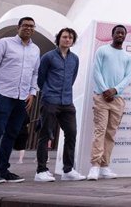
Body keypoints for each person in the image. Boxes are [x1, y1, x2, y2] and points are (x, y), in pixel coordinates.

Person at [0, 16, 40, 185]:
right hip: (3, 94)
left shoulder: (35, 49)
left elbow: (35, 73)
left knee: (11, 134)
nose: (29, 28)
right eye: (26, 26)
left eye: (32, 26)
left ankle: (3, 170)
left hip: (22, 97)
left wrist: (32, 93)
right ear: (18, 27)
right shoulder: (4, 43)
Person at [34, 27, 86, 182]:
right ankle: (41, 171)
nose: (67, 39)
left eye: (70, 37)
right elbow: (40, 79)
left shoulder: (75, 59)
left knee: (71, 133)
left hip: (67, 102)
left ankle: (68, 170)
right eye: (64, 37)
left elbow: (72, 78)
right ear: (59, 39)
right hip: (50, 100)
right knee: (45, 135)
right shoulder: (48, 57)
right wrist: (48, 93)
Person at [87, 24, 131, 181]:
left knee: (111, 133)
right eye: (118, 33)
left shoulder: (127, 56)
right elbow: (96, 71)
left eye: (123, 33)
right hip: (101, 97)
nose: (120, 35)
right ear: (112, 34)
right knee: (100, 131)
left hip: (117, 99)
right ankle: (95, 166)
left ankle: (105, 166)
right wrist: (105, 89)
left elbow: (127, 77)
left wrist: (115, 90)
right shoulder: (102, 51)